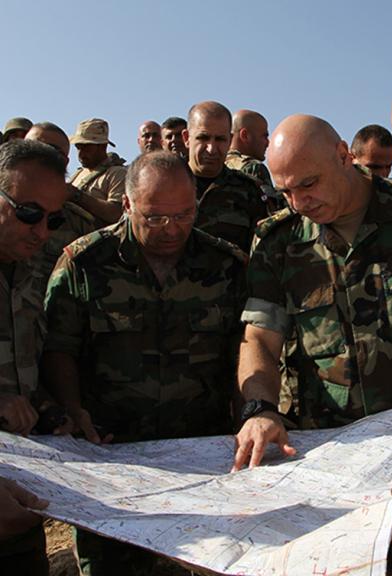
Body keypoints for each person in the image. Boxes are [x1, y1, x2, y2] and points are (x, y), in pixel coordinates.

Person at [43, 150, 247, 575]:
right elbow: (60, 347)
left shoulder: (225, 265)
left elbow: (243, 348)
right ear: (127, 205)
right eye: (155, 217)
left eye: (184, 215)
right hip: (112, 458)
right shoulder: (84, 264)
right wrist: (73, 407)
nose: (172, 229)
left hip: (200, 455)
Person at [232, 114, 392, 470]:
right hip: (327, 448)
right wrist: (260, 409)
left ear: (343, 155)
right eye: (286, 192)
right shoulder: (279, 242)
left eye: (308, 184)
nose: (298, 202)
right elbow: (260, 340)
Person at [0, 139, 69, 576]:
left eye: (53, 219)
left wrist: (49, 408)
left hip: (19, 497)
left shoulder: (33, 270)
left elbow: (27, 364)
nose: (41, 231)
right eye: (28, 213)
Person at [184, 101, 280, 252]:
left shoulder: (250, 191)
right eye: (203, 138)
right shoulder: (164, 185)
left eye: (220, 139)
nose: (211, 149)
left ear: (230, 140)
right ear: (186, 138)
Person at [25, 122, 96, 279]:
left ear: (64, 161)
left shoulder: (77, 223)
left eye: (49, 150)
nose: (36, 154)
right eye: (29, 146)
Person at [68, 118, 127, 226]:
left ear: (102, 146)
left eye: (86, 147)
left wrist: (77, 195)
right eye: (78, 147)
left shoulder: (117, 174)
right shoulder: (77, 175)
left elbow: (116, 214)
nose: (81, 153)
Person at [225, 109, 274, 188]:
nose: (267, 143)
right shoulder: (253, 167)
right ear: (245, 135)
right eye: (264, 136)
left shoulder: (215, 165)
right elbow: (269, 200)